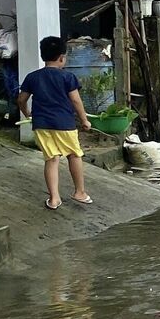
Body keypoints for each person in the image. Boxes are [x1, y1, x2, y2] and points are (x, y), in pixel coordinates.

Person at [15, 36, 94, 210]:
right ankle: (79, 192)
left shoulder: (32, 77)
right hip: (64, 123)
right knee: (74, 155)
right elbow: (75, 101)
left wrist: (27, 113)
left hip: (41, 124)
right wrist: (84, 120)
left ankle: (54, 199)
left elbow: (21, 99)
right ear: (61, 58)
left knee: (51, 159)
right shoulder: (68, 77)